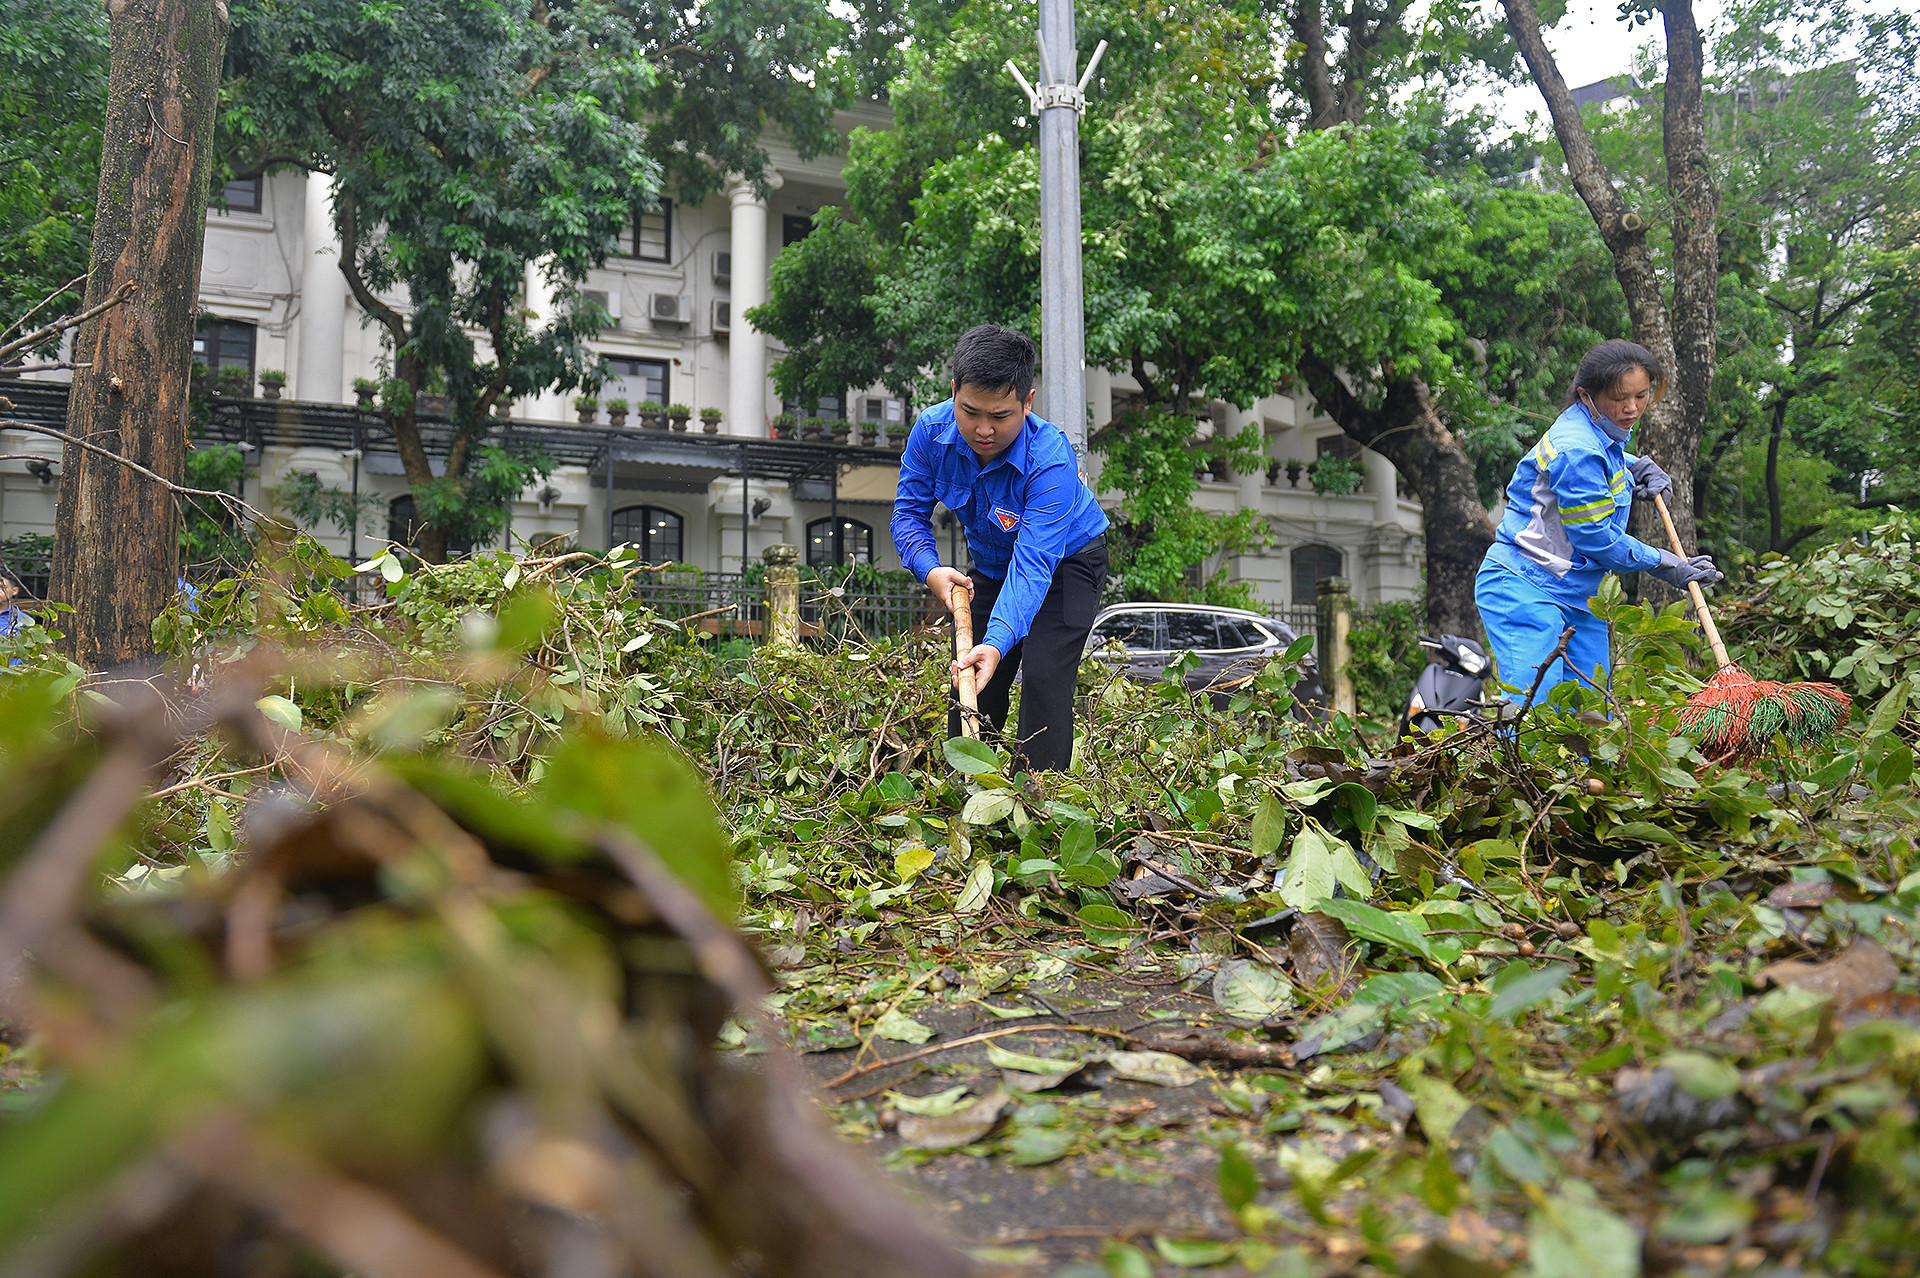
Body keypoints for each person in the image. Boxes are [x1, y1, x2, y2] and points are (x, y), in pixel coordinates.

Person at [891, 325, 1110, 771]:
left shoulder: (1050, 459)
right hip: (992, 564)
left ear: (1028, 403)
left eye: (1001, 416)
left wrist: (997, 643)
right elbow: (908, 514)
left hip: (1067, 564)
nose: (984, 430)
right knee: (971, 676)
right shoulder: (930, 432)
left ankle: (1036, 794)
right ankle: (965, 788)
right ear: (954, 391)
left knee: (1044, 676)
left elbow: (1033, 565)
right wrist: (931, 570)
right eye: (970, 412)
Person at [1475, 339, 1722, 702]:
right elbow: (1595, 537)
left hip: (1578, 595)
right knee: (1536, 712)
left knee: (1593, 715)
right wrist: (1667, 564)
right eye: (1619, 398)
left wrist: (1633, 466)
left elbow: (1603, 459)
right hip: (1525, 587)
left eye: (1641, 396)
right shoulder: (1577, 447)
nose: (1632, 408)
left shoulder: (1599, 430)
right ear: (1586, 395)